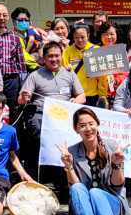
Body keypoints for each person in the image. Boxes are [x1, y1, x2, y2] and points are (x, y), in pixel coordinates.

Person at [60, 108, 130, 215]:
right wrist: (68, 166)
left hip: (111, 203)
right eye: (82, 125)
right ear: (76, 129)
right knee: (77, 188)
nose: (88, 128)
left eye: (91, 124)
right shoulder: (72, 152)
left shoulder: (112, 146)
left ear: (98, 124)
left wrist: (117, 164)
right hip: (86, 207)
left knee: (96, 192)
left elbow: (118, 185)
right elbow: (76, 189)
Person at [18, 41, 86, 174]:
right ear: (44, 58)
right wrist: (24, 97)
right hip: (41, 115)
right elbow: (21, 99)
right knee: (41, 132)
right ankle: (43, 172)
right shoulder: (35, 75)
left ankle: (67, 173)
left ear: (62, 56)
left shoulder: (70, 74)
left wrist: (75, 101)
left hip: (64, 115)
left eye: (57, 55)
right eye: (50, 56)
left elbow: (82, 96)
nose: (54, 59)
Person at [0, 3, 28, 117]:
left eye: (5, 15)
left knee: (12, 111)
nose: (2, 18)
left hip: (11, 81)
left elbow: (21, 65)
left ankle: (11, 133)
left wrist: (23, 87)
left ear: (8, 18)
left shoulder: (15, 38)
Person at [62, 24, 100, 106]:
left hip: (93, 94)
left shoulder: (97, 50)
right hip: (75, 95)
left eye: (82, 37)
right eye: (76, 37)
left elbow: (102, 76)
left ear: (88, 36)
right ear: (73, 37)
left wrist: (102, 94)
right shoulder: (67, 52)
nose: (79, 40)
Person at [93, 21, 127, 106]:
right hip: (98, 95)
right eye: (105, 34)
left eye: (112, 34)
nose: (109, 37)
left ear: (116, 35)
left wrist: (117, 80)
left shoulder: (121, 52)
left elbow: (125, 75)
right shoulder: (94, 51)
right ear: (100, 36)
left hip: (117, 95)